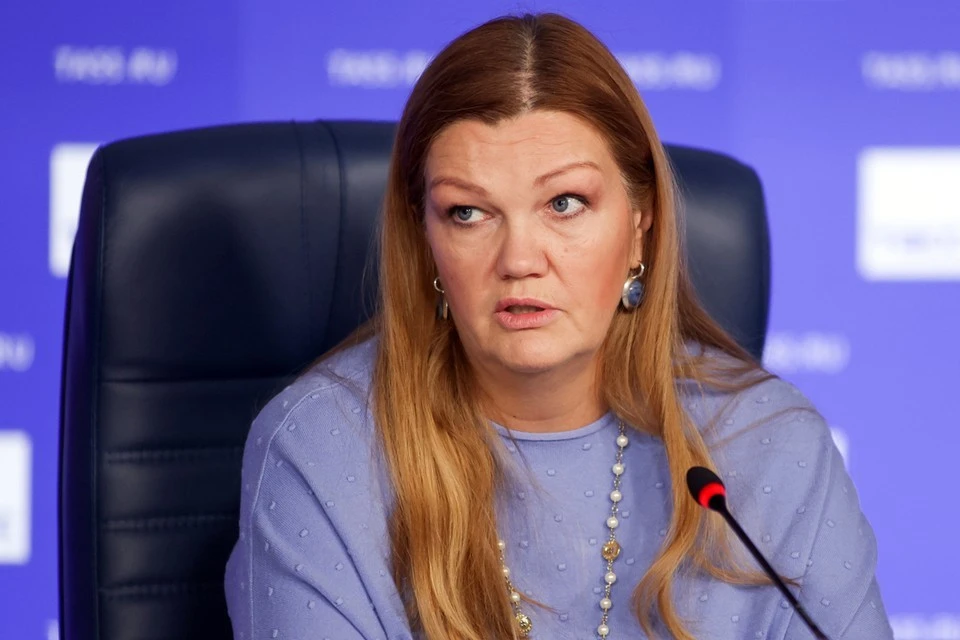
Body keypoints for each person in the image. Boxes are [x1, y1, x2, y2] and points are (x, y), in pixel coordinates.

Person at [224, 13, 893, 640]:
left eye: (564, 203)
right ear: (425, 240)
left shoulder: (771, 443)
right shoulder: (320, 448)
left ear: (640, 224)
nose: (519, 259)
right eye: (468, 213)